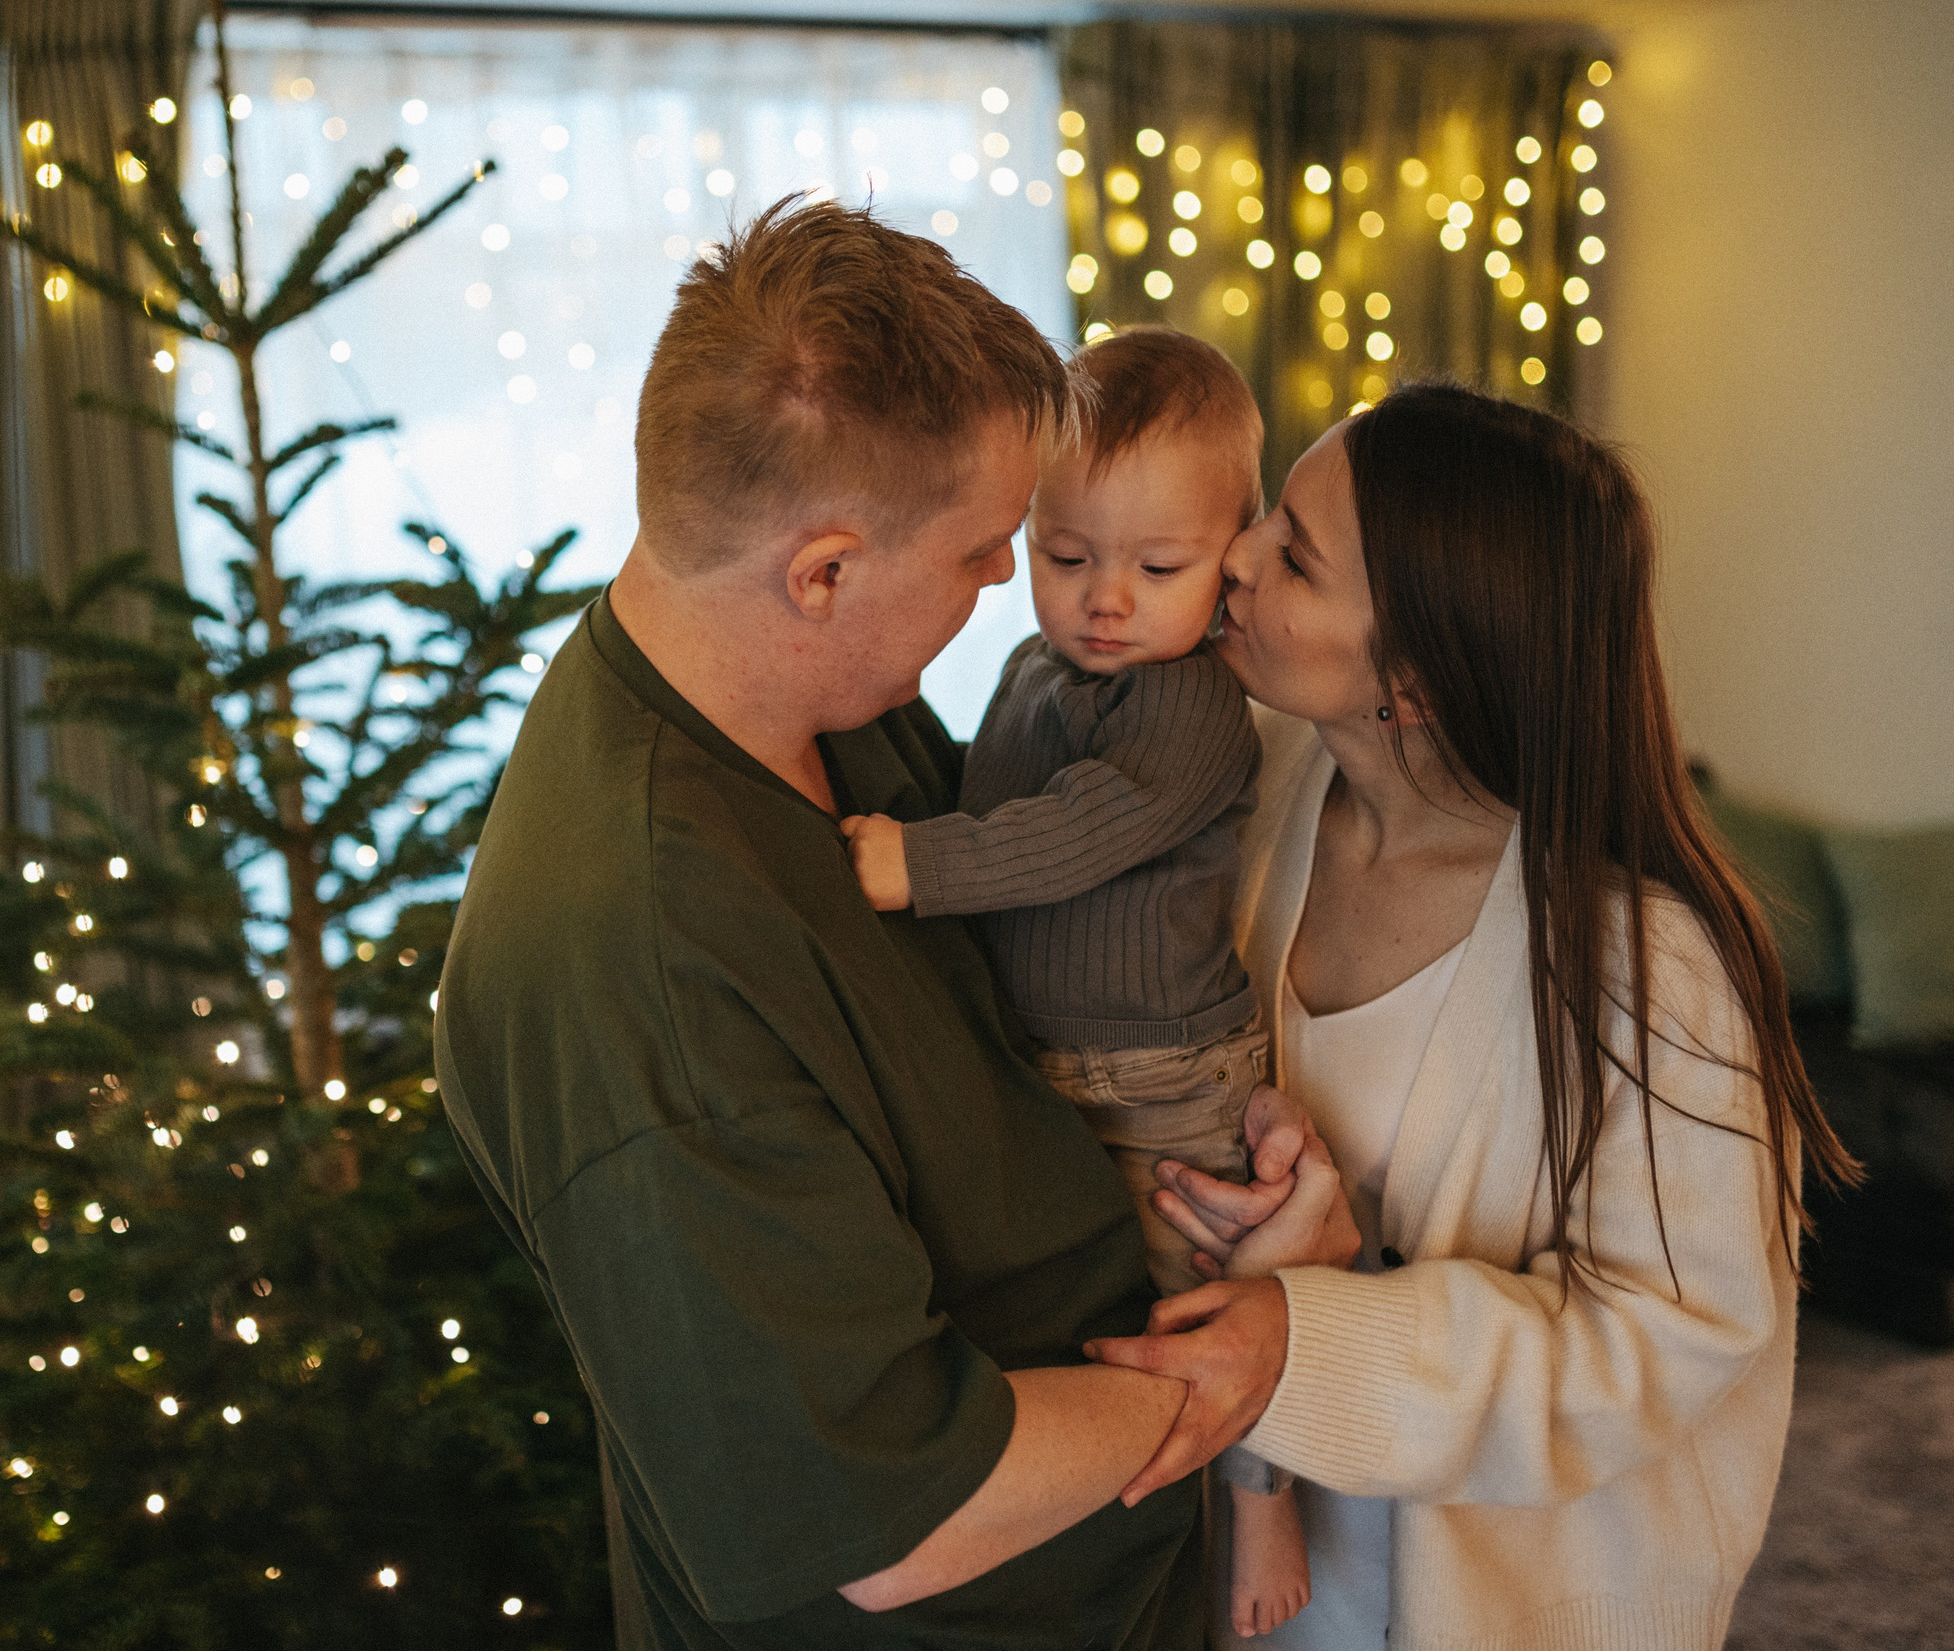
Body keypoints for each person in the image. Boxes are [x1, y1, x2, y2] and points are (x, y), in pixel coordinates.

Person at [434, 198, 1312, 1648]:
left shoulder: (819, 703)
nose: (1004, 586)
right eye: (984, 550)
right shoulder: (644, 966)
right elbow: (900, 1515)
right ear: (825, 570)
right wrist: (1252, 1357)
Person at [1085, 383, 1860, 1650]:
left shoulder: (1645, 967)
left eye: (1294, 555)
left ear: (1418, 675)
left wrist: (1309, 1327)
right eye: (1268, 516)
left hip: (1489, 1601)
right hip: (1240, 1563)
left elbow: (1667, 1336)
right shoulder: (1243, 794)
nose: (1234, 554)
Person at [840, 325, 1311, 1640]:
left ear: (1230, 557)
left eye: (1157, 568)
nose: (1106, 598)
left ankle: (1265, 1491)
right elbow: (991, 790)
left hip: (1167, 1080)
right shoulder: (1031, 671)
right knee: (1072, 1316)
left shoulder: (1193, 707)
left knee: (1200, 1302)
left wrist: (917, 863)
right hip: (1045, 1063)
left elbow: (1077, 832)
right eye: (1065, 555)